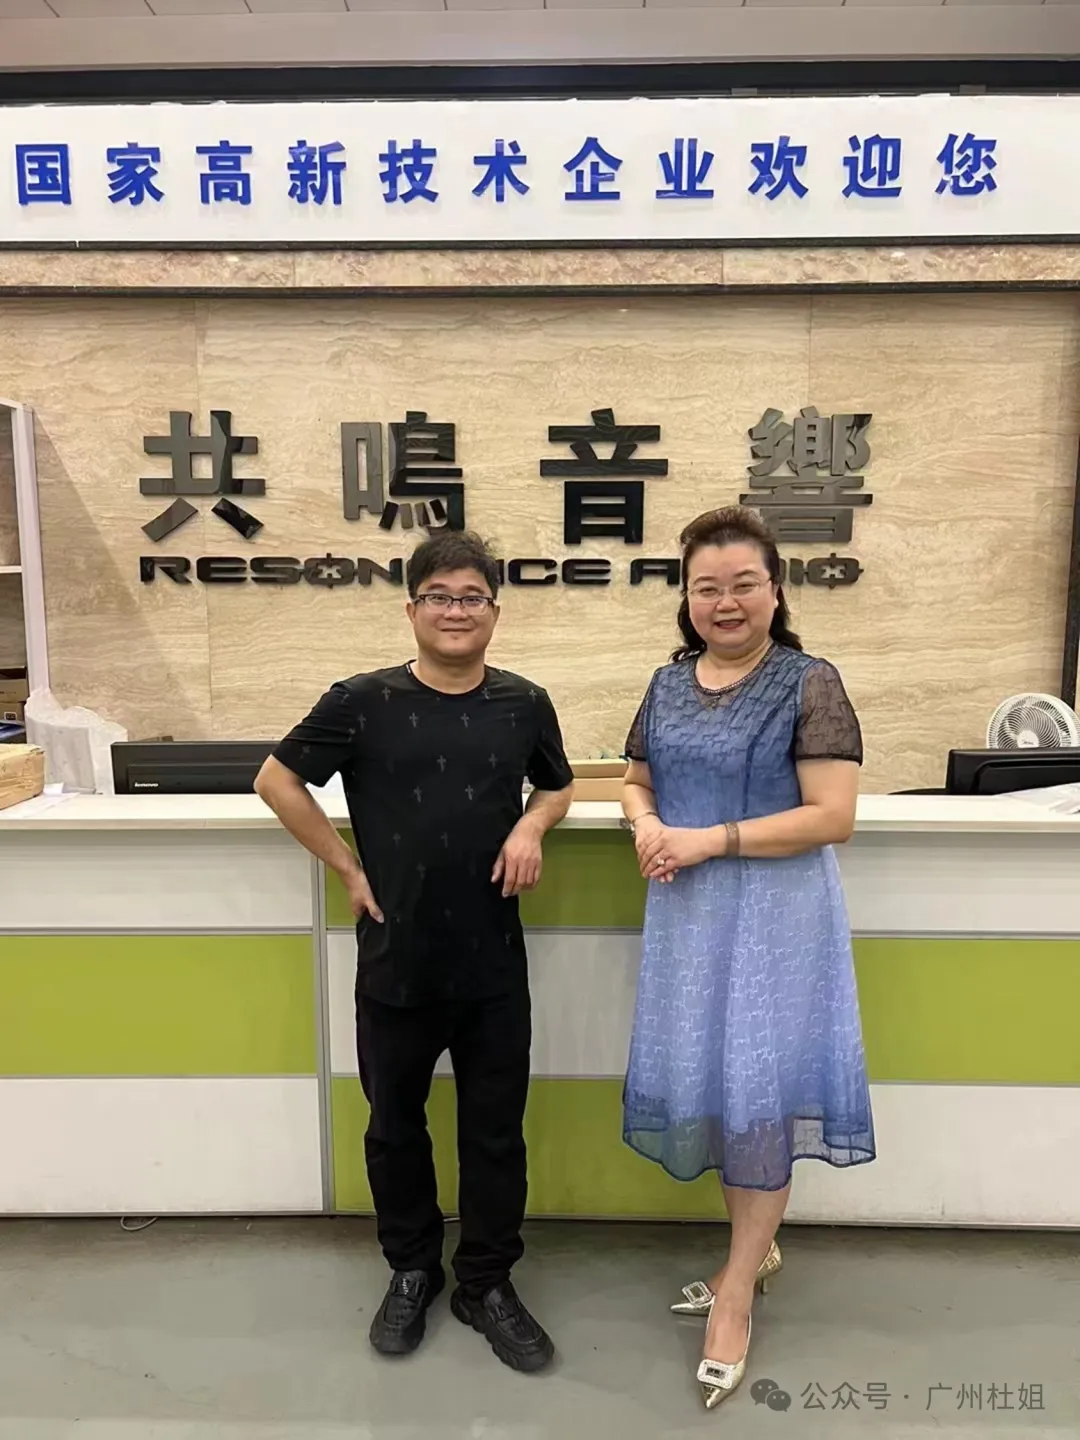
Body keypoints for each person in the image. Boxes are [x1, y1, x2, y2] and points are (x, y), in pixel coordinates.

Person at [255, 530, 574, 1374]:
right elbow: (277, 779)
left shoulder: (524, 702)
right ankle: (412, 1270)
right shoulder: (361, 700)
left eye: (472, 597)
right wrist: (345, 866)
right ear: (411, 610)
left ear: (494, 612)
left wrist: (532, 825)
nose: (455, 611)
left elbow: (559, 783)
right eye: (439, 596)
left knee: (494, 1133)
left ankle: (486, 1282)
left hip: (493, 965)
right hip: (396, 960)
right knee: (395, 1128)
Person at [620, 506, 874, 1410]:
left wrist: (708, 840)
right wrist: (649, 825)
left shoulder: (809, 682)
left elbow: (832, 816)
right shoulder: (666, 682)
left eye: (742, 584)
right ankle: (752, 1254)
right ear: (686, 598)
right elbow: (636, 780)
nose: (724, 602)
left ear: (775, 590)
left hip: (776, 919)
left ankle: (734, 1294)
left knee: (759, 1093)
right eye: (706, 587)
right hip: (690, 919)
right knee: (722, 1089)